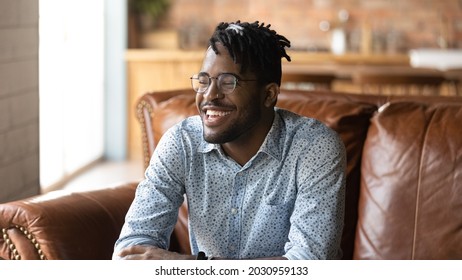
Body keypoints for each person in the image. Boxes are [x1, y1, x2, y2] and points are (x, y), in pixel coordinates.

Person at [113, 20, 346, 260]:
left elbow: (308, 264)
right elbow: (132, 246)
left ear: (269, 95)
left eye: (228, 82)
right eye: (204, 81)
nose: (209, 95)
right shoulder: (182, 142)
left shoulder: (314, 148)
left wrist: (189, 266)